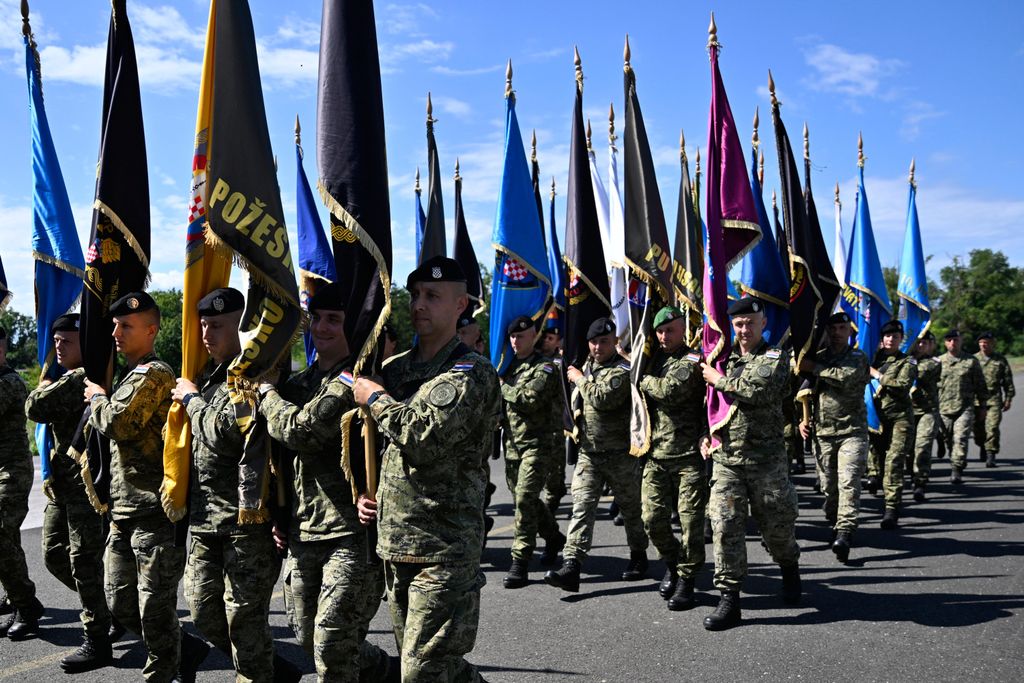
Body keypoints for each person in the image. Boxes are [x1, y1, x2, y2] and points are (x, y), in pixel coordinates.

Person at [354, 256, 500, 682]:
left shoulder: (471, 372)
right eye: (415, 295)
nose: (419, 304)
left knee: (420, 672)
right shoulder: (396, 370)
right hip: (397, 540)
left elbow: (422, 438)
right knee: (432, 668)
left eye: (432, 296)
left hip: (446, 545)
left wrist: (375, 399)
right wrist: (368, 491)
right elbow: (380, 448)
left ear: (460, 306)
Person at [259, 282, 391, 682]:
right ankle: (384, 669)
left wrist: (265, 394)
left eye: (335, 320)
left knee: (331, 645)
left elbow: (301, 431)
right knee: (305, 636)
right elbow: (278, 457)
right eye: (316, 319)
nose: (323, 327)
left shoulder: (353, 382)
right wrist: (278, 515)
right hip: (303, 530)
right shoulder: (298, 385)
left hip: (349, 531)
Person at [173, 288, 298, 682]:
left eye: (218, 326)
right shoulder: (207, 376)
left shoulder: (253, 374)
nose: (207, 334)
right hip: (204, 520)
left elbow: (224, 431)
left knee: (244, 620)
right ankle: (273, 669)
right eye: (204, 325)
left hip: (246, 522)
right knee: (204, 612)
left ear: (241, 328)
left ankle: (259, 672)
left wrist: (192, 401)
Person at [84, 291, 207, 680]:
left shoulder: (156, 374)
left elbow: (120, 424)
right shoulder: (128, 374)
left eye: (127, 326)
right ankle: (185, 648)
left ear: (151, 330)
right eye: (116, 325)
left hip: (154, 510)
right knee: (119, 599)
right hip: (123, 509)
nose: (117, 333)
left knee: (153, 607)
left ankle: (163, 669)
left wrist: (99, 399)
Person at [699, 297, 800, 631]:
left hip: (766, 460)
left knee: (777, 528)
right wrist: (707, 435)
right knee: (724, 524)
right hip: (728, 460)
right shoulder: (722, 358)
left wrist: (718, 379)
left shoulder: (776, 357)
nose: (743, 330)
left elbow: (756, 390)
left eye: (750, 323)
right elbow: (713, 406)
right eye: (738, 324)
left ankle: (789, 566)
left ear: (763, 324)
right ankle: (729, 598)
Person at [24, 314, 113, 668]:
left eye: (66, 342)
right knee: (53, 554)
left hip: (85, 487)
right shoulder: (68, 377)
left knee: (83, 563)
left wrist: (44, 385)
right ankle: (107, 612)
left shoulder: (81, 379)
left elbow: (35, 407)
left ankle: (97, 637)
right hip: (62, 486)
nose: (58, 347)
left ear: (84, 344)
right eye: (56, 341)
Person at [544, 317, 649, 593]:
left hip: (620, 455)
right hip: (590, 454)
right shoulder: (586, 364)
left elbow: (602, 399)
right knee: (582, 508)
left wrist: (579, 379)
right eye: (594, 342)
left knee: (631, 511)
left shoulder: (622, 370)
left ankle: (639, 555)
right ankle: (572, 565)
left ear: (614, 341)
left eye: (604, 341)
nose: (598, 346)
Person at [638, 306, 707, 610]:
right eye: (660, 331)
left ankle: (687, 581)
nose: (665, 336)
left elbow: (668, 390)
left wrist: (640, 379)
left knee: (691, 525)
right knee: (652, 520)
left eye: (671, 330)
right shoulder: (652, 358)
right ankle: (673, 562)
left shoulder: (691, 360)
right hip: (656, 455)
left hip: (687, 456)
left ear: (683, 330)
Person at [499, 316, 565, 589]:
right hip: (513, 446)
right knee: (525, 501)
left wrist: (500, 385)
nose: (516, 341)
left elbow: (529, 399)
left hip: (538, 445)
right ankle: (553, 537)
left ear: (534, 335)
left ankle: (520, 562)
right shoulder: (509, 366)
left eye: (522, 336)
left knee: (526, 499)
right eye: (513, 337)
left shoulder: (545, 368)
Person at [799, 312, 869, 562]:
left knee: (848, 481)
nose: (837, 332)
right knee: (830, 487)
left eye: (842, 327)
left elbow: (845, 379)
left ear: (850, 331)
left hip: (853, 432)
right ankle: (836, 519)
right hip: (824, 434)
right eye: (833, 328)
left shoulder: (858, 358)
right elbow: (805, 391)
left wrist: (814, 368)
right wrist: (803, 420)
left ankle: (845, 531)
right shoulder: (817, 358)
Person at [0, 325, 45, 641]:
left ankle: (27, 605)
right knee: (8, 540)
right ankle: (15, 598)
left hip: (11, 471)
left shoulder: (10, 383)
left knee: (1, 534)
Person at [868, 320, 917, 530]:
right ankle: (877, 482)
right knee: (877, 459)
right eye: (887, 336)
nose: (890, 339)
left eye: (895, 336)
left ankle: (891, 508)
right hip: (877, 420)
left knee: (894, 462)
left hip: (899, 418)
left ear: (900, 339)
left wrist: (877, 374)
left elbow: (903, 385)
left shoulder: (907, 362)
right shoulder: (870, 357)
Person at [938, 329, 988, 484]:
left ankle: (956, 469)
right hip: (943, 409)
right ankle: (955, 459)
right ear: (945, 343)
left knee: (961, 438)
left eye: (956, 340)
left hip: (964, 407)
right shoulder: (937, 362)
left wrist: (982, 406)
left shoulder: (971, 361)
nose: (953, 343)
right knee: (949, 440)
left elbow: (980, 385)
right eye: (950, 340)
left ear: (961, 341)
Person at [973, 331, 1015, 467]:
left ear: (993, 344)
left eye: (987, 342)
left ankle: (991, 454)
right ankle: (982, 446)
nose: (984, 345)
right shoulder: (973, 360)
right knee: (978, 429)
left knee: (992, 427)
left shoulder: (1000, 360)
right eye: (981, 342)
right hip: (976, 401)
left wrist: (1008, 398)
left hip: (994, 399)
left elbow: (1007, 381)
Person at [539, 324, 568, 518]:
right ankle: (550, 500)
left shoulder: (559, 363)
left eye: (550, 338)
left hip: (555, 423)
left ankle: (554, 495)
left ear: (558, 342)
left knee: (555, 470)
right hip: (537, 426)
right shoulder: (534, 361)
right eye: (544, 338)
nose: (545, 342)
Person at [910, 332, 941, 501]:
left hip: (927, 411)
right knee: (907, 450)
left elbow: (919, 374)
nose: (921, 345)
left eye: (926, 342)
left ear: (932, 345)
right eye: (919, 342)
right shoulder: (905, 360)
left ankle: (920, 482)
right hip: (906, 411)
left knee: (922, 446)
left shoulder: (934, 363)